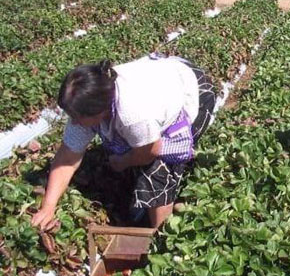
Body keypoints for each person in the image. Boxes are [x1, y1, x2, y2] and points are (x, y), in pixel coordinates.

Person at [31, 54, 215, 234]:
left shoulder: (133, 115)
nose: (75, 122)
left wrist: (123, 161)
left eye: (78, 118)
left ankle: (162, 238)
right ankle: (139, 205)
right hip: (162, 84)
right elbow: (67, 158)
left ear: (99, 113)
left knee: (157, 169)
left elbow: (149, 152)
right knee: (131, 151)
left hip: (192, 89)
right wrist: (48, 207)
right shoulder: (92, 100)